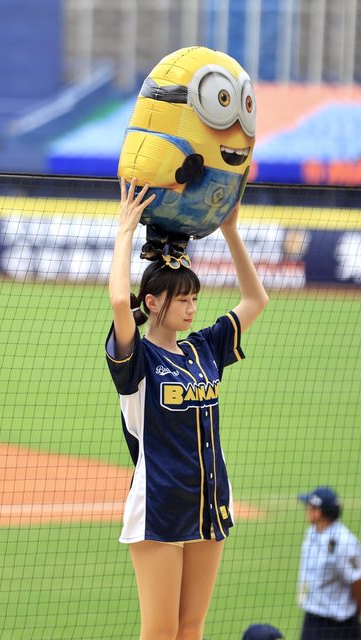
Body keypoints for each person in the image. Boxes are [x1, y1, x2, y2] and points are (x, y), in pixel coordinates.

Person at [106, 177, 269, 640]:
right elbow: (118, 300)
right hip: (159, 502)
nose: (192, 307)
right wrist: (125, 230)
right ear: (152, 302)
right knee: (160, 630)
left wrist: (231, 231)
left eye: (194, 297)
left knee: (191, 627)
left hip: (209, 499)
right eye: (182, 299)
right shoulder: (137, 358)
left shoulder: (204, 348)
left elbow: (256, 300)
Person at [297, 486, 361, 640]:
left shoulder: (344, 542)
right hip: (312, 620)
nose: (306, 509)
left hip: (339, 626)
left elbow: (360, 584)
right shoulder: (312, 533)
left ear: (318, 512)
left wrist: (356, 616)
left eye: (309, 507)